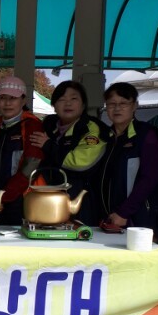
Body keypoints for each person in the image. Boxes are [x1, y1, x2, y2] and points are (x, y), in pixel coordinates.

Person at [28, 80, 108, 226]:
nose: (68, 103)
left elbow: (80, 163)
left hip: (80, 201)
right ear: (54, 105)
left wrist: (48, 145)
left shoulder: (91, 128)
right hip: (47, 199)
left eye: (74, 98)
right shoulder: (49, 125)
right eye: (61, 99)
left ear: (83, 104)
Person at [98, 82, 158, 235]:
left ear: (135, 106)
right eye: (111, 104)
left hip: (139, 218)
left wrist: (123, 212)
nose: (117, 108)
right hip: (109, 217)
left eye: (123, 103)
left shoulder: (146, 134)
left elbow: (149, 178)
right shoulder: (104, 137)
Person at [0, 76, 45, 225]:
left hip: (23, 199)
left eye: (13, 98)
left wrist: (4, 195)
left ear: (23, 100)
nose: (7, 103)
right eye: (2, 98)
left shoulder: (31, 125)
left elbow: (32, 163)